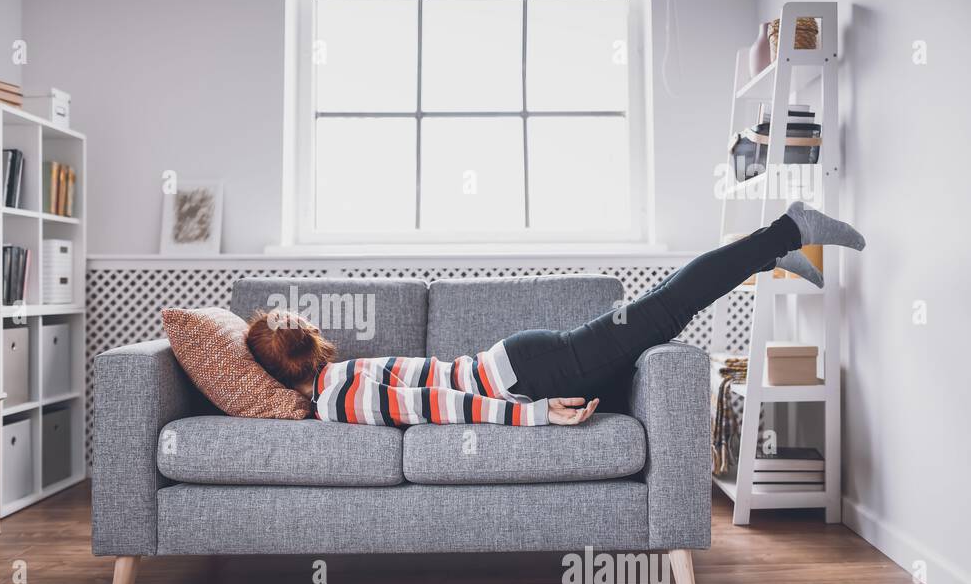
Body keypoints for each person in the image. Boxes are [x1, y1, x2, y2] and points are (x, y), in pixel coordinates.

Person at [245, 202, 865, 427]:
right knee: (648, 348)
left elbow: (444, 408)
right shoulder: (340, 379)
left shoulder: (333, 398)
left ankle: (789, 228)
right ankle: (766, 258)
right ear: (307, 342)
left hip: (529, 374)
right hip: (522, 363)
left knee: (666, 312)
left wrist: (536, 415)